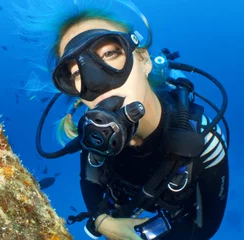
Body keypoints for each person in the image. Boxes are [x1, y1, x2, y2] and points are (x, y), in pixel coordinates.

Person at [12, 0, 230, 239]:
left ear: (144, 60)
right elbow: (90, 182)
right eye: (76, 73)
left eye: (109, 53)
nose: (95, 81)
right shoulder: (96, 134)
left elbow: (206, 226)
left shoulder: (204, 136)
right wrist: (104, 222)